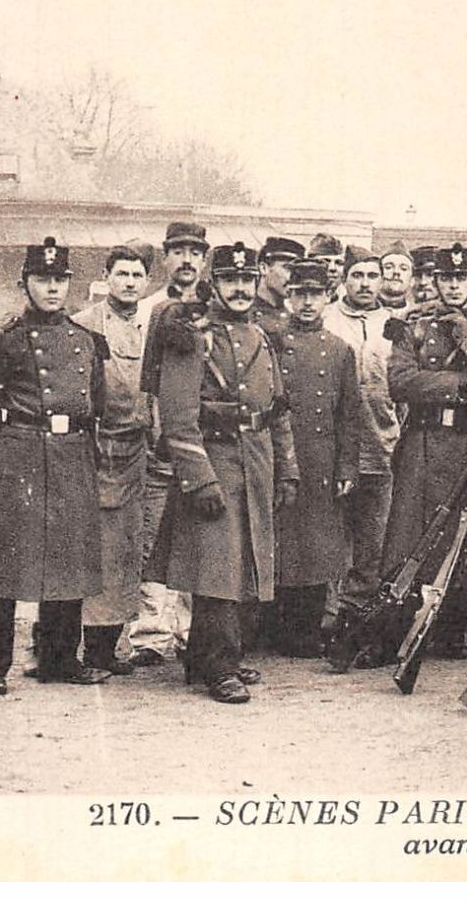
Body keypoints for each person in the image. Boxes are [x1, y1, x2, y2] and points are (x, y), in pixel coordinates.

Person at [0, 237, 110, 694]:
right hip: (20, 452)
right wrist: (3, 456)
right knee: (4, 560)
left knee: (68, 559)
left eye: (60, 280)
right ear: (25, 284)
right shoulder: (2, 340)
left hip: (72, 450)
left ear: (70, 285)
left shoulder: (88, 341)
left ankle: (59, 658)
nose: (52, 289)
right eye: (43, 280)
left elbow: (96, 404)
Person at [147, 242, 299, 704]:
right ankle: (219, 666)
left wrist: (287, 469)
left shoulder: (260, 336)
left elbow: (277, 410)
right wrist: (200, 477)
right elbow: (177, 414)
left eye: (247, 281)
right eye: (230, 280)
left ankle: (206, 658)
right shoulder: (193, 334)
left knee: (245, 563)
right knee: (218, 568)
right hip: (214, 462)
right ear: (215, 283)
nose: (239, 289)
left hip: (255, 460)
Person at [384, 243, 467, 657]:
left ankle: (452, 628)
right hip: (424, 444)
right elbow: (401, 381)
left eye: (462, 278)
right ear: (436, 281)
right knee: (410, 535)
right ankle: (395, 626)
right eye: (447, 279)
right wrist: (462, 385)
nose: (455, 286)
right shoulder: (413, 325)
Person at [70, 245, 156, 674]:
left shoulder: (151, 326)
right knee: (99, 550)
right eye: (121, 274)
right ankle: (90, 650)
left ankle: (112, 645)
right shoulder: (85, 325)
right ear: (106, 277)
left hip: (141, 452)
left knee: (128, 551)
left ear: (147, 283)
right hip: (99, 450)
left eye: (137, 275)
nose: (129, 282)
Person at [128, 220, 210, 668]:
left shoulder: (216, 305)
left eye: (194, 252)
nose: (186, 260)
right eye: (177, 251)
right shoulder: (154, 309)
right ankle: (152, 633)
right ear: (165, 257)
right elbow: (147, 379)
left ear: (204, 257)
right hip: (163, 445)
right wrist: (154, 429)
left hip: (206, 444)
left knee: (199, 537)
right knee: (153, 537)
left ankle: (192, 632)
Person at [270, 260, 360, 657]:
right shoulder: (270, 340)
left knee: (316, 545)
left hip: (322, 458)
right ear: (288, 296)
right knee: (282, 543)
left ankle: (307, 631)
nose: (307, 303)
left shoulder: (340, 350)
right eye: (299, 294)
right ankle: (273, 628)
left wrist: (346, 467)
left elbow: (350, 415)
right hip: (281, 455)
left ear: (328, 297)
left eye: (315, 294)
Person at [319, 246, 401, 657]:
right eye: (358, 276)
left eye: (373, 275)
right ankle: (328, 621)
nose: (366, 283)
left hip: (383, 450)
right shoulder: (327, 319)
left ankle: (360, 622)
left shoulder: (395, 323)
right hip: (337, 451)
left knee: (374, 541)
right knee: (334, 539)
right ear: (344, 280)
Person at [253, 236, 305, 337]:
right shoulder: (246, 316)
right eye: (288, 268)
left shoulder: (295, 319)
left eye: (298, 271)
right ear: (264, 268)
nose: (294, 277)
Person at [378, 243, 414, 312]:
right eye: (388, 267)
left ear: (412, 279)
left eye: (403, 268)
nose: (396, 272)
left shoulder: (415, 314)